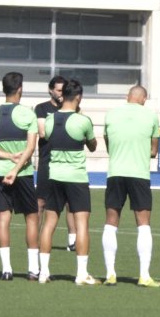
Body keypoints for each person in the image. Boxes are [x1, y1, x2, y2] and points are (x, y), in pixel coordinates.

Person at [0, 72, 40, 281]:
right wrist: (16, 168)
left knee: (3, 219)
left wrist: (6, 157)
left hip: (0, 173)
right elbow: (31, 147)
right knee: (32, 218)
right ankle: (33, 269)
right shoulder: (28, 115)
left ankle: (6, 269)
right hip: (22, 174)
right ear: (20, 89)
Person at [38, 79, 98, 285]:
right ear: (79, 97)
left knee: (48, 224)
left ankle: (43, 272)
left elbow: (46, 137)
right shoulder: (83, 120)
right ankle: (81, 274)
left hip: (54, 175)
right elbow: (92, 145)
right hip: (76, 178)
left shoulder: (49, 119)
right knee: (81, 225)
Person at [102, 85, 160, 287]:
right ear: (143, 99)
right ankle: (144, 276)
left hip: (116, 172)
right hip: (139, 174)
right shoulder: (151, 116)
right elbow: (154, 151)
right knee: (143, 224)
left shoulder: (111, 114)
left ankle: (110, 273)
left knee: (111, 222)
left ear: (127, 97)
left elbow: (108, 142)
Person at [35, 75, 74, 251]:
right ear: (51, 90)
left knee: (70, 203)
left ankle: (72, 241)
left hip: (68, 161)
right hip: (47, 161)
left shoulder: (73, 108)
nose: (61, 93)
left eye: (64, 90)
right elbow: (43, 133)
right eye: (58, 90)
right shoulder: (42, 108)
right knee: (41, 202)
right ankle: (34, 239)